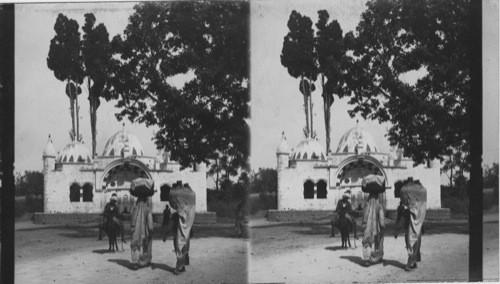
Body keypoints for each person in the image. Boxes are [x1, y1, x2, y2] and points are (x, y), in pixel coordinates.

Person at [394, 186, 427, 271]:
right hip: (410, 231)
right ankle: (412, 263)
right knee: (412, 246)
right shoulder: (407, 210)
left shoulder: (415, 210)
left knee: (413, 246)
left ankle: (410, 263)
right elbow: (401, 219)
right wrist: (397, 231)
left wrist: (397, 231)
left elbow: (420, 220)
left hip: (414, 231)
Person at [169, 183, 196, 275]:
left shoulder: (178, 211)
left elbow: (172, 222)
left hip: (180, 232)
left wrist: (166, 234)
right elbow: (191, 221)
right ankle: (183, 266)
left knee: (179, 247)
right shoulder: (189, 210)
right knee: (185, 247)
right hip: (187, 231)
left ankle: (177, 268)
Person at [130, 195, 154, 269]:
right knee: (146, 245)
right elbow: (150, 223)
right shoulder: (147, 209)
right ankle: (145, 261)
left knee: (135, 245)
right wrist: (151, 230)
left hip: (135, 230)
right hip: (144, 230)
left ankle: (135, 262)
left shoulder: (134, 209)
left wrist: (132, 228)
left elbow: (132, 220)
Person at [362, 192, 385, 267]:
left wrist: (364, 226)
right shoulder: (379, 205)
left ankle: (366, 259)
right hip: (376, 227)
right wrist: (382, 226)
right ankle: (376, 258)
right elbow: (381, 219)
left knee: (366, 241)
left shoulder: (366, 206)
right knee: (377, 242)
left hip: (367, 227)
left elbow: (364, 217)